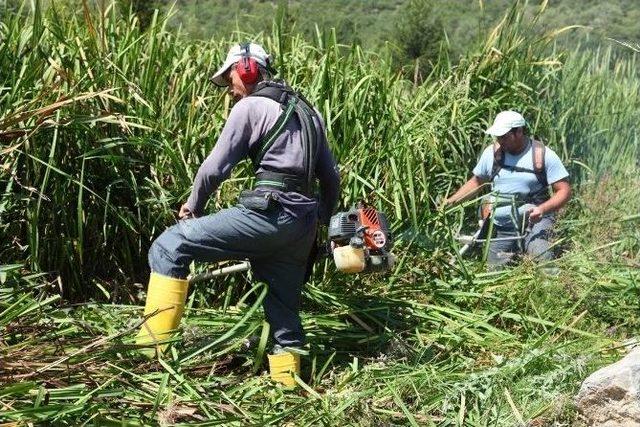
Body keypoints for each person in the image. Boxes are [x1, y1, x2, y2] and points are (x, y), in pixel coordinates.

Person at [135, 42, 340, 387]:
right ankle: (287, 389)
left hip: (267, 215)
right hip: (301, 227)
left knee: (170, 247)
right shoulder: (309, 112)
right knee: (284, 315)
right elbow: (331, 179)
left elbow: (215, 168)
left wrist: (193, 207)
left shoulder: (251, 107)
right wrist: (321, 223)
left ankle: (149, 360)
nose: (229, 88)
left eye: (229, 77)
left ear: (246, 69)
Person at [445, 110, 571, 268]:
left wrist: (543, 209)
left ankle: (551, 286)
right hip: (503, 223)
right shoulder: (492, 154)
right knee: (494, 271)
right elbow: (476, 182)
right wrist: (450, 203)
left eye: (504, 137)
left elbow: (564, 191)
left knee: (542, 257)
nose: (500, 141)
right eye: (498, 137)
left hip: (535, 219)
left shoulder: (543, 155)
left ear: (519, 132)